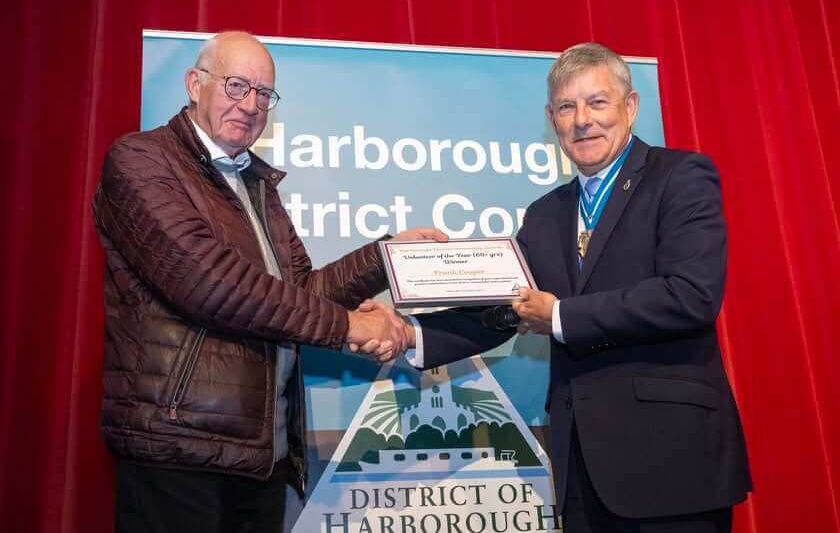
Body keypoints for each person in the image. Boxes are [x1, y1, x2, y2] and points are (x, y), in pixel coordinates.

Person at [366, 42, 751, 532]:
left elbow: (690, 295)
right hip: (581, 469)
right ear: (552, 118)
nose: (582, 120)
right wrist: (408, 333)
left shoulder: (680, 177)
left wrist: (562, 317)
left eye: (597, 102)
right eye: (567, 107)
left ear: (629, 107)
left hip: (671, 461)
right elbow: (502, 310)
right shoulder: (546, 214)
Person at [92, 31, 442, 533]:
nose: (251, 104)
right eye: (236, 86)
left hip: (261, 454)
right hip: (180, 451)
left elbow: (299, 297)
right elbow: (212, 286)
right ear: (194, 84)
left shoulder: (255, 185)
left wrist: (387, 257)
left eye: (263, 94)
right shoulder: (142, 162)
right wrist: (348, 326)